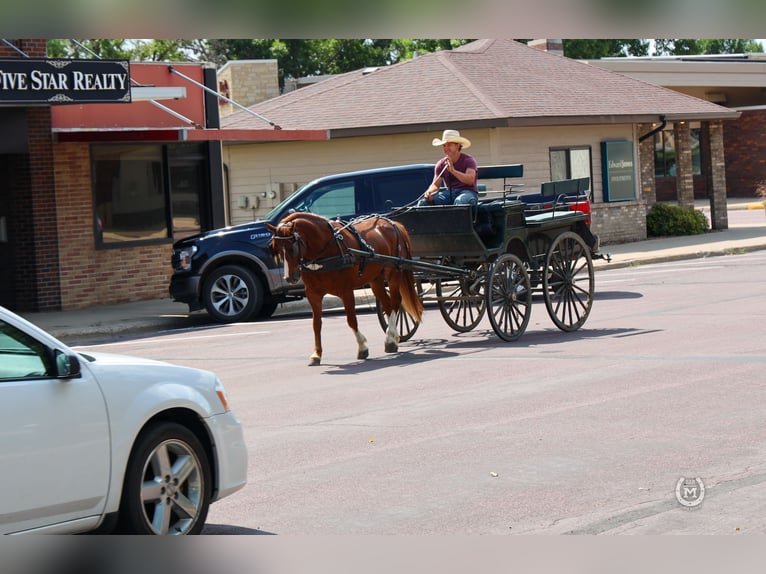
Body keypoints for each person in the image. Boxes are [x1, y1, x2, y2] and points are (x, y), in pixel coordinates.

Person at [419, 129, 479, 206]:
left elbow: (470, 180)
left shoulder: (468, 160)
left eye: (449, 145)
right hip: (449, 193)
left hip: (468, 192)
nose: (446, 148)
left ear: (458, 145)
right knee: (423, 203)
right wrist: (429, 192)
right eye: (444, 145)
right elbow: (436, 185)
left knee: (460, 201)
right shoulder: (441, 164)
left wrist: (453, 171)